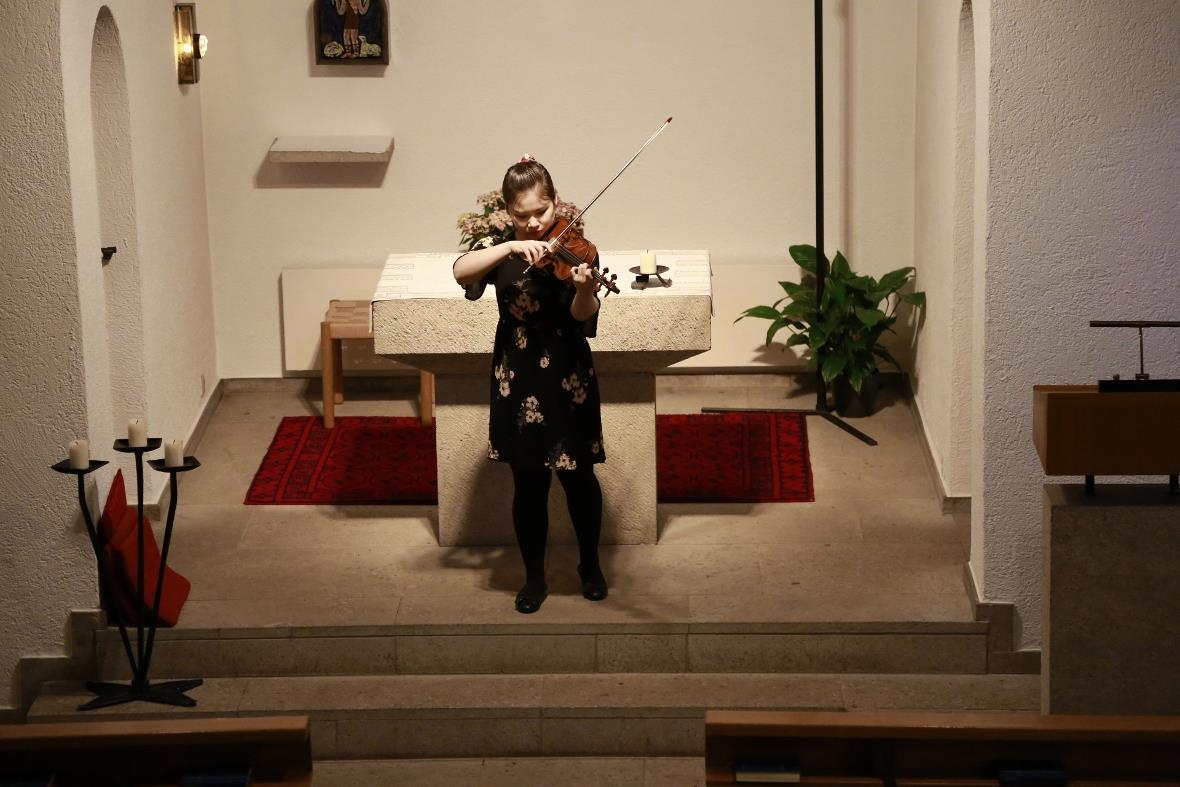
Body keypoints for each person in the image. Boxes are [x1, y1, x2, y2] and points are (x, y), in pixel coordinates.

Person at [453, 156, 608, 614]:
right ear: (509, 212)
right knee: (529, 483)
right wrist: (509, 247)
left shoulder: (577, 250)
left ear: (555, 202)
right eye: (522, 215)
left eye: (541, 211)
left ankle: (590, 567)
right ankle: (534, 577)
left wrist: (584, 288)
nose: (535, 222)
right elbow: (462, 271)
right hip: (517, 375)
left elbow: (584, 316)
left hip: (566, 371)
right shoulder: (499, 249)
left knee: (579, 478)